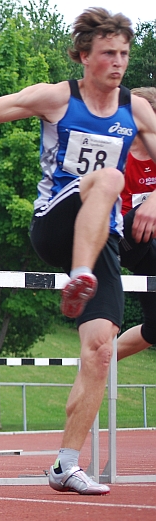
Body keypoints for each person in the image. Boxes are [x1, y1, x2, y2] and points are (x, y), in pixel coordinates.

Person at [0, 8, 156, 494]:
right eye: (108, 54)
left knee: (100, 351)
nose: (118, 63)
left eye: (124, 53)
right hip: (55, 222)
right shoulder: (57, 98)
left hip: (104, 235)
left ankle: (65, 464)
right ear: (84, 56)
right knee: (110, 177)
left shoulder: (138, 110)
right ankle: (80, 274)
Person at [117, 88, 156, 359]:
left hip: (150, 249)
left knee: (155, 329)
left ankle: (100, 359)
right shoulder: (117, 152)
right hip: (123, 239)